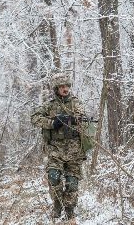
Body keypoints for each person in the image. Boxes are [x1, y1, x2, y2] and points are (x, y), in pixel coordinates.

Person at [31, 73, 86, 221]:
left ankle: (69, 209)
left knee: (72, 182)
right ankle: (57, 204)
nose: (65, 89)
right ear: (56, 88)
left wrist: (74, 119)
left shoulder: (75, 103)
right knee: (53, 177)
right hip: (55, 149)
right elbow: (34, 118)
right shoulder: (49, 104)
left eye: (67, 86)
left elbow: (83, 118)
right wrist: (52, 123)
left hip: (74, 149)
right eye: (62, 86)